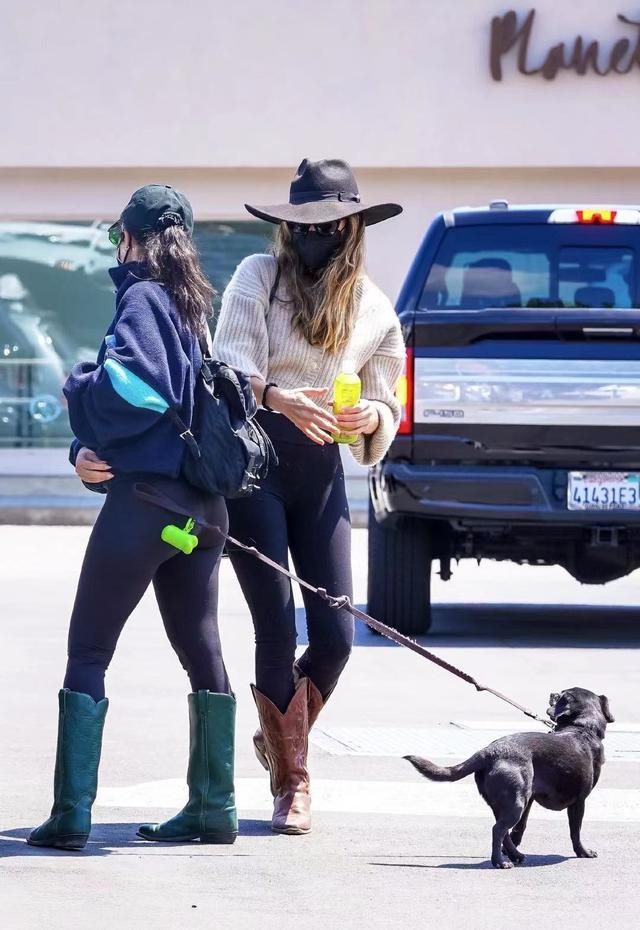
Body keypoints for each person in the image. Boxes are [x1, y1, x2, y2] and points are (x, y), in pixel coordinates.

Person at [28, 185, 237, 850]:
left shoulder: (143, 297)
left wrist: (77, 387)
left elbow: (133, 387)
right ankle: (213, 805)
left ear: (129, 236)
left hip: (147, 507)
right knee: (202, 650)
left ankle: (70, 815)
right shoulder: (191, 306)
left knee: (89, 651)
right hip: (200, 516)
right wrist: (84, 450)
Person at [213, 158, 404, 834]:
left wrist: (370, 420)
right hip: (255, 466)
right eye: (300, 225)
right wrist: (275, 395)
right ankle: (293, 782)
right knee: (274, 623)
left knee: (337, 634)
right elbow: (229, 368)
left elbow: (388, 401)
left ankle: (277, 738)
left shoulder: (376, 305)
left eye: (324, 225)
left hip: (323, 472)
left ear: (350, 226)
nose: (310, 236)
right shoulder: (256, 278)